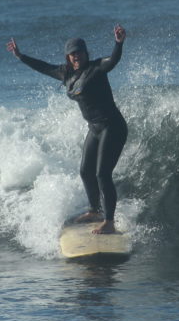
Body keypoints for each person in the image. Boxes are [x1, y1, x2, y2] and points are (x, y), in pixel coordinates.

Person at [7, 25, 128, 234]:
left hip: (112, 126)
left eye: (79, 52)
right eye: (72, 54)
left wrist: (118, 43)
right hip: (95, 128)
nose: (76, 56)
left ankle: (109, 221)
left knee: (102, 174)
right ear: (68, 57)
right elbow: (43, 67)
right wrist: (20, 56)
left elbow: (113, 60)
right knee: (85, 171)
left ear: (85, 53)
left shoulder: (96, 68)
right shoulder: (66, 74)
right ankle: (94, 210)